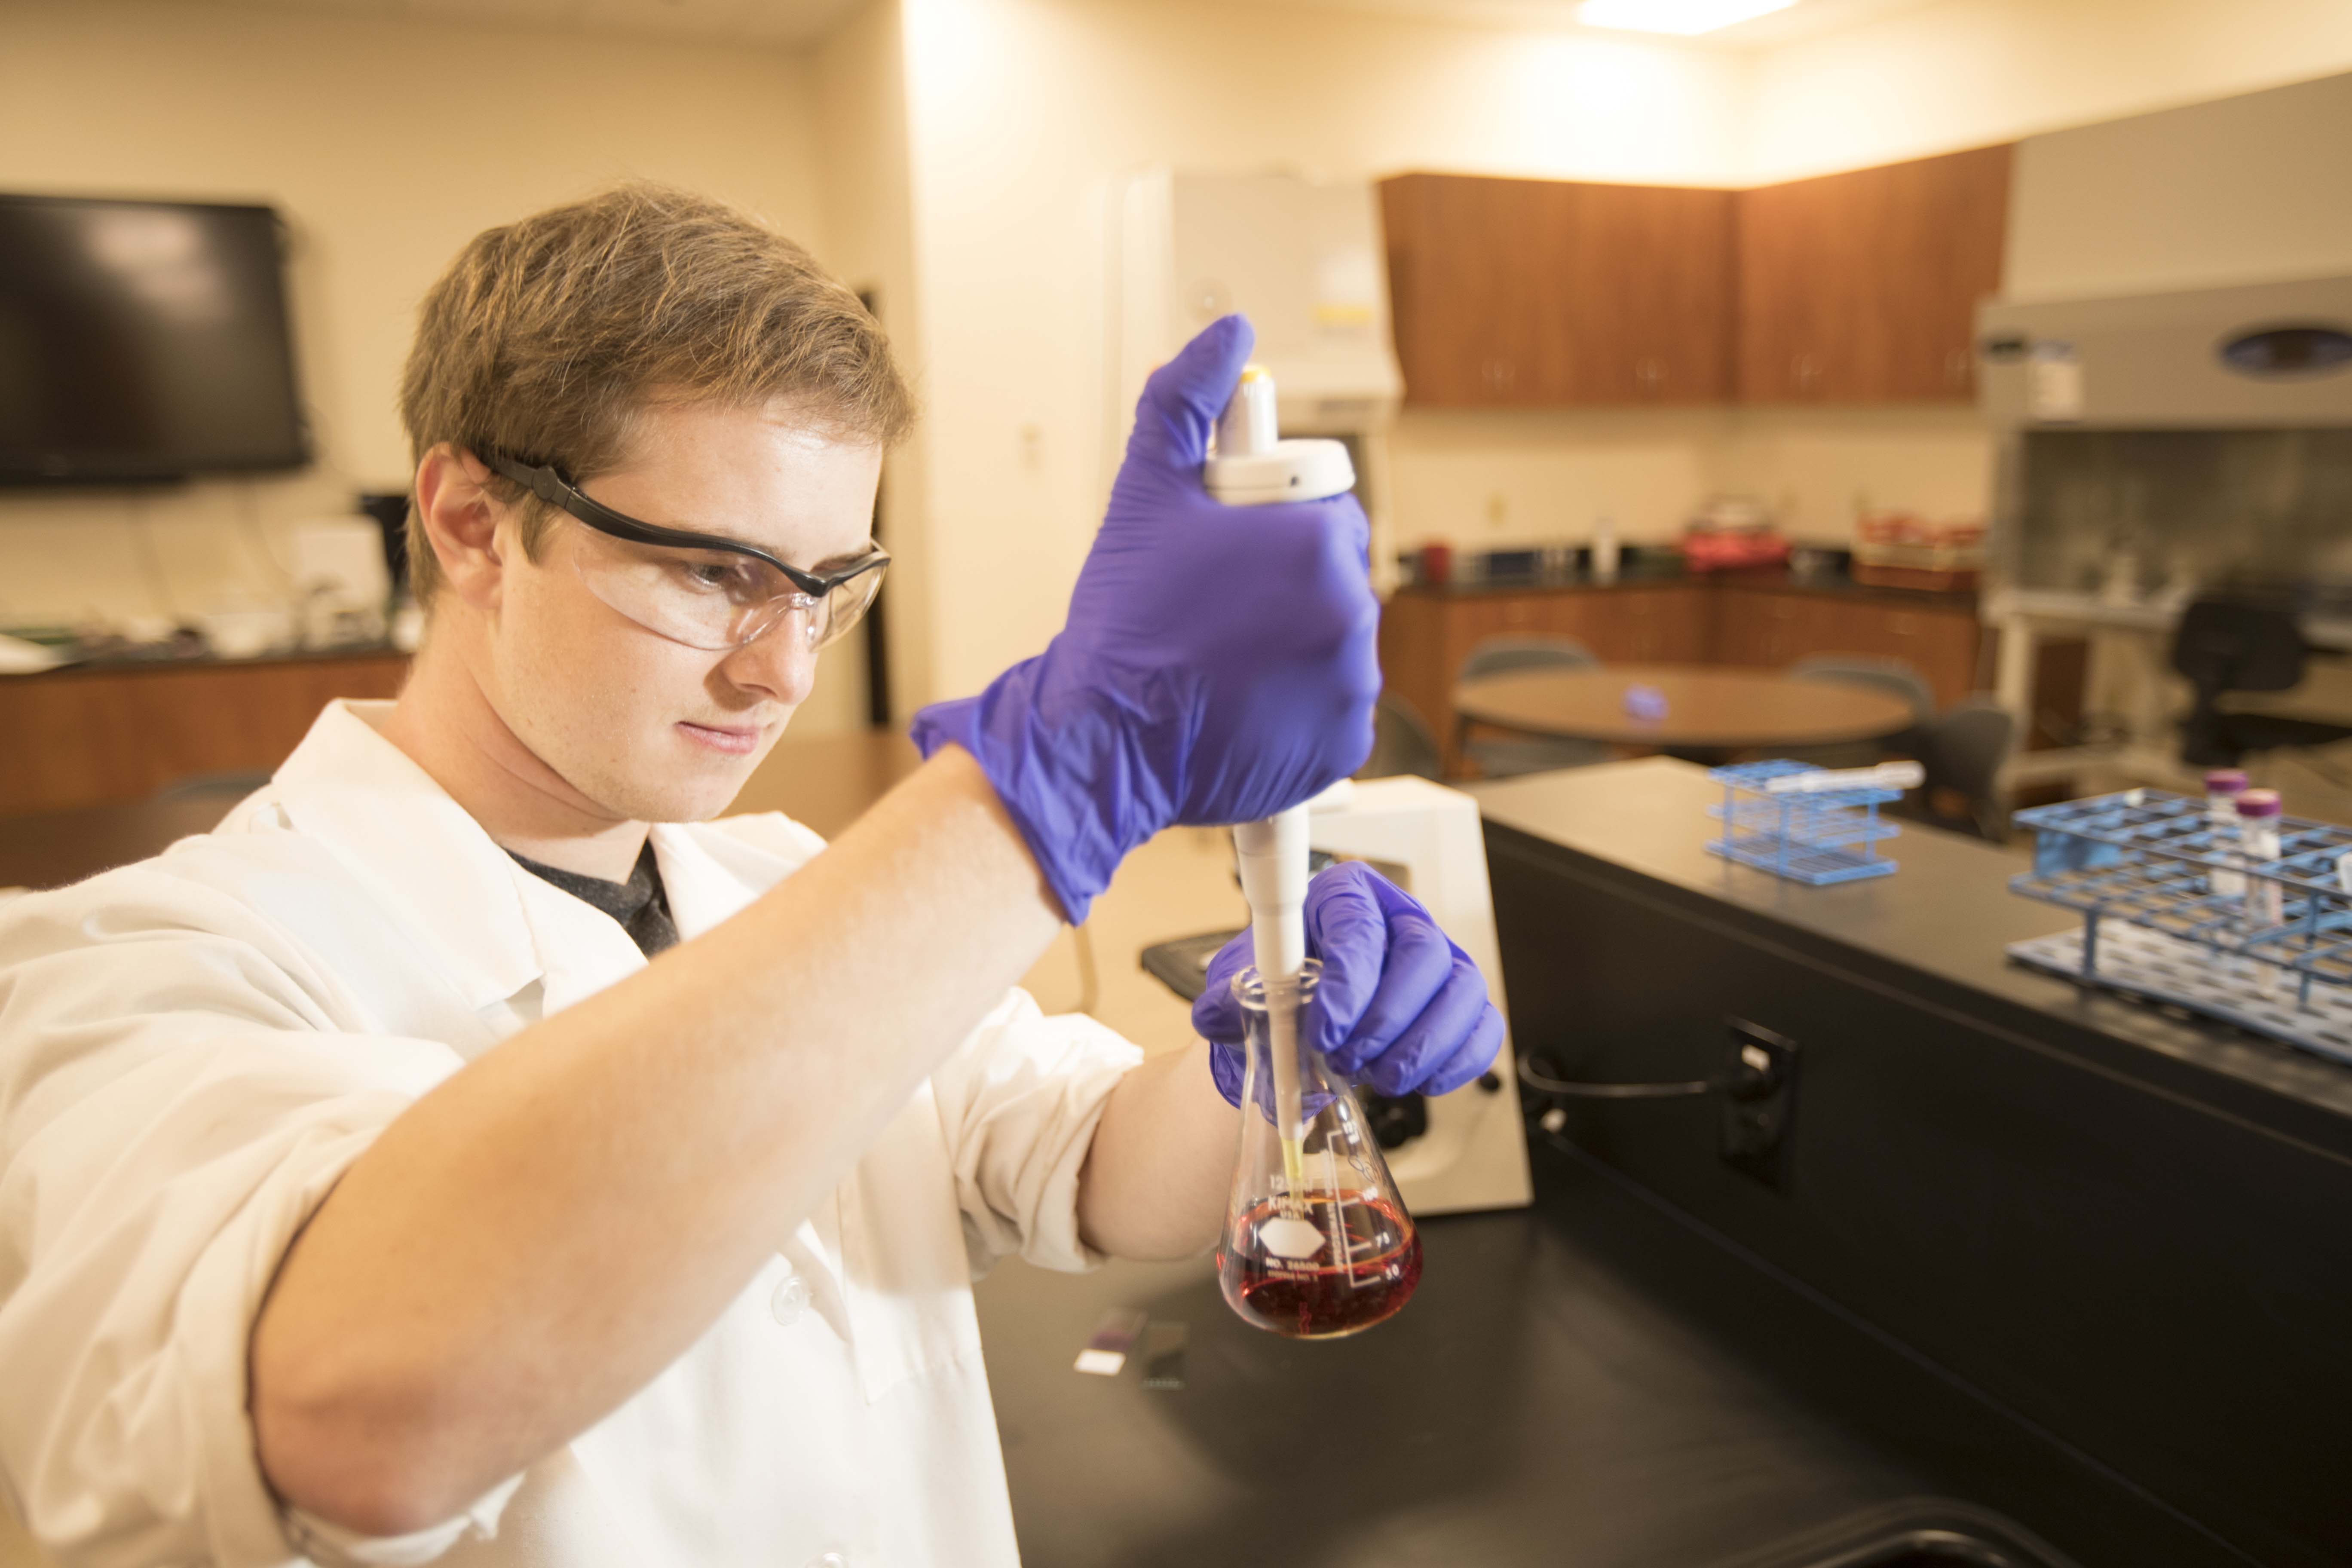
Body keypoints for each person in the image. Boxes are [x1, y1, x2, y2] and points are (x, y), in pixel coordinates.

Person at [0, 185, 1503, 1568]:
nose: (779, 667)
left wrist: (1260, 1068)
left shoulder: (784, 881)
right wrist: (1048, 793)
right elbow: (354, 1419)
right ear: (469, 524)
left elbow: (1082, 1168)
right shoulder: (130, 970)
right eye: (712, 571)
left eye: (829, 586)